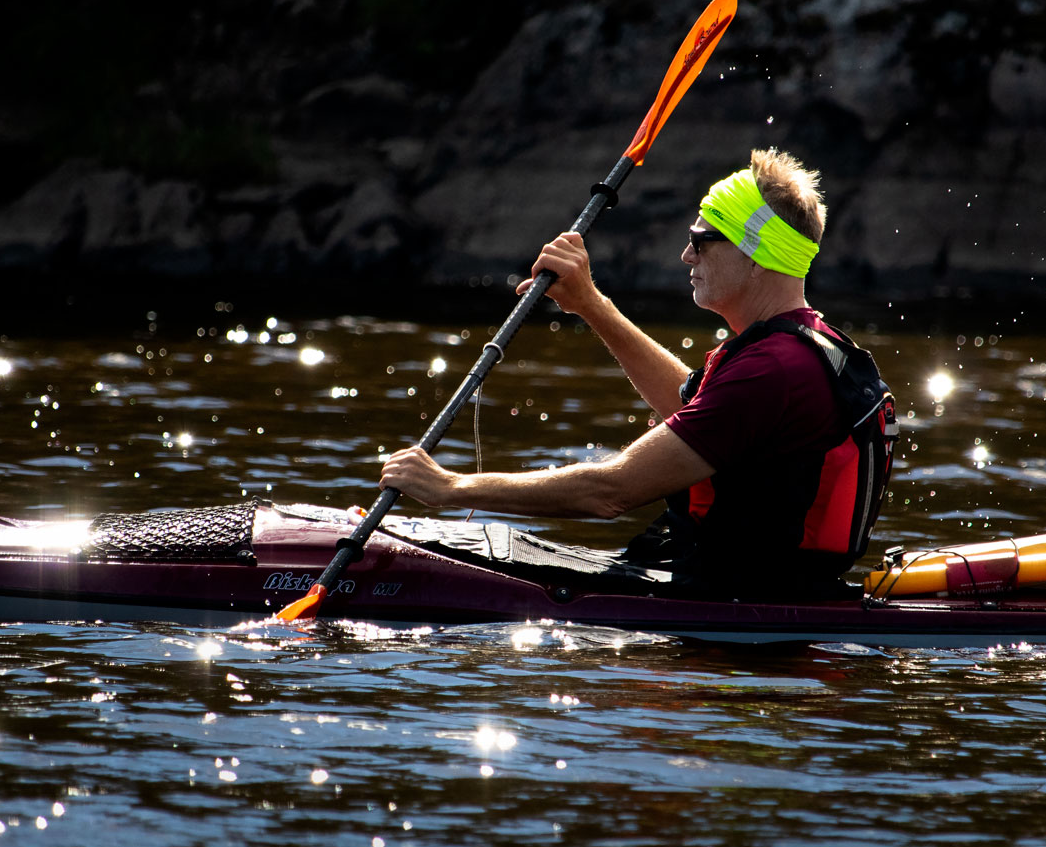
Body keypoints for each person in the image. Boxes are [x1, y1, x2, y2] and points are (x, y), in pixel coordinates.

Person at [380, 148, 895, 599]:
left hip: (735, 606)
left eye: (703, 239)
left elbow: (612, 492)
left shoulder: (772, 369)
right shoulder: (797, 348)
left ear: (756, 254)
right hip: (754, 585)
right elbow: (688, 407)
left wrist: (451, 488)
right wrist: (590, 304)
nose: (686, 254)